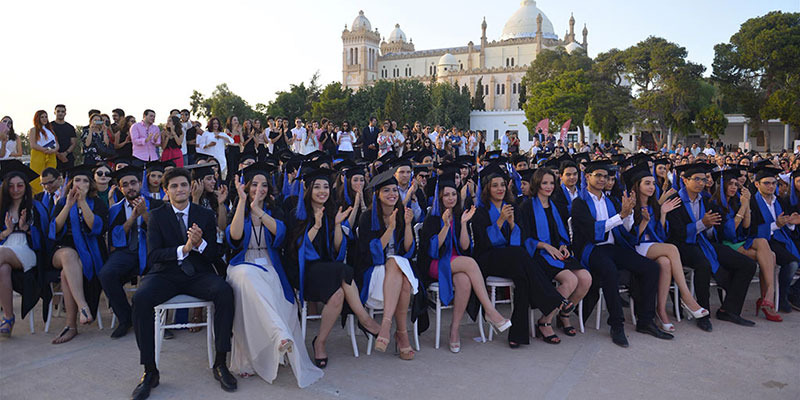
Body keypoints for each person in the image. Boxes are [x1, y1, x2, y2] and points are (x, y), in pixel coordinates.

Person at [130, 167, 237, 400]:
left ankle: (220, 363)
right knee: (140, 299)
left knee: (224, 292)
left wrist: (199, 245)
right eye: (174, 186)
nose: (180, 189)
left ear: (191, 188)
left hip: (197, 274)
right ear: (166, 191)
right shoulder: (157, 215)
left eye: (183, 185)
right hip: (165, 274)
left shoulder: (205, 215)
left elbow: (214, 255)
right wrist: (184, 249)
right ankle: (150, 371)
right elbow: (153, 256)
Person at [225, 162, 323, 387]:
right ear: (247, 186)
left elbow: (280, 235)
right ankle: (279, 335)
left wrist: (258, 209)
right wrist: (243, 203)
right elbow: (235, 237)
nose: (259, 189)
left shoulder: (274, 210)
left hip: (270, 265)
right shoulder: (238, 208)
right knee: (248, 279)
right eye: (255, 184)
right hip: (243, 264)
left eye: (264, 185)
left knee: (277, 298)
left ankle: (270, 347)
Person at [286, 167, 381, 367]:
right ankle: (364, 319)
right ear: (309, 189)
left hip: (326, 270)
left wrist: (337, 225)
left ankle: (319, 342)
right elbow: (297, 250)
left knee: (338, 294)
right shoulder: (297, 214)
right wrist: (316, 226)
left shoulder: (330, 212)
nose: (323, 191)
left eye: (326, 187)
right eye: (317, 187)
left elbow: (337, 248)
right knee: (344, 270)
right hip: (304, 272)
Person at [572, 160, 672, 347]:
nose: (602, 179)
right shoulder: (580, 203)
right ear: (587, 177)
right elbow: (592, 232)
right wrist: (621, 216)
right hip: (592, 249)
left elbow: (625, 229)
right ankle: (616, 325)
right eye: (598, 175)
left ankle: (645, 320)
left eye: (605, 176)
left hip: (613, 247)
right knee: (609, 271)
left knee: (651, 267)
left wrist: (630, 214)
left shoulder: (611, 201)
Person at [470, 163, 571, 348]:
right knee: (520, 255)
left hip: (511, 258)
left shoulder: (512, 207)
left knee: (523, 280)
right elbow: (483, 243)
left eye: (502, 184)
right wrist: (500, 221)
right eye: (495, 185)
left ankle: (517, 335)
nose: (500, 189)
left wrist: (511, 224)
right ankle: (554, 299)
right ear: (486, 188)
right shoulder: (480, 211)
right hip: (487, 259)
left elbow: (518, 239)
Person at [419, 170, 511, 352]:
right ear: (440, 197)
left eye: (453, 194)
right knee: (469, 263)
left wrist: (463, 224)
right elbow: (432, 250)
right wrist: (445, 227)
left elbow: (464, 246)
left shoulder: (460, 215)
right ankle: (490, 311)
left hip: (456, 262)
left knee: (464, 280)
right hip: (435, 264)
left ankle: (454, 329)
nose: (451, 198)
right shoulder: (433, 218)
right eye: (446, 195)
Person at [667, 162, 757, 332]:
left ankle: (729, 310)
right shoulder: (675, 201)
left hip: (704, 243)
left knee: (747, 264)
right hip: (682, 246)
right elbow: (675, 233)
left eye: (704, 179)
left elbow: (718, 230)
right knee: (703, 265)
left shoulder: (707, 200)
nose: (702, 183)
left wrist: (710, 227)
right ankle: (703, 314)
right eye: (697, 179)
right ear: (685, 180)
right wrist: (702, 223)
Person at [622, 162, 709, 332]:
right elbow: (629, 237)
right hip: (636, 247)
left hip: (652, 246)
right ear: (637, 186)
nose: (651, 187)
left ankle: (661, 311)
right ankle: (687, 298)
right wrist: (644, 221)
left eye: (653, 183)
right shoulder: (630, 205)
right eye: (646, 183)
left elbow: (660, 235)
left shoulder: (654, 205)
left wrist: (662, 214)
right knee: (671, 249)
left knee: (665, 262)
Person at [518, 168, 592, 341]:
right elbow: (523, 237)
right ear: (537, 184)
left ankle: (563, 315)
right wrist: (545, 246)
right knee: (571, 280)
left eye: (551, 183)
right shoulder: (526, 206)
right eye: (544, 183)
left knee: (586, 278)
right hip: (537, 255)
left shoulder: (556, 206)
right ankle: (545, 322)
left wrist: (563, 245)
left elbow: (561, 234)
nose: (548, 186)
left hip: (557, 253)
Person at [355, 170, 417, 359]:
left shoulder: (401, 215)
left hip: (396, 271)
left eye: (395, 190)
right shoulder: (367, 218)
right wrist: (390, 228)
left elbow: (408, 250)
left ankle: (388, 327)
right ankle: (400, 333)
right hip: (374, 271)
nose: (392, 194)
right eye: (386, 191)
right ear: (378, 195)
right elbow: (371, 254)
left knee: (397, 265)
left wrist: (406, 225)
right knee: (395, 265)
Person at [99, 166, 164, 339]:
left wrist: (144, 214)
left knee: (160, 275)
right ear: (121, 189)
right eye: (125, 185)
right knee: (106, 274)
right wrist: (132, 218)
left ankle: (157, 320)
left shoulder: (157, 204)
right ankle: (126, 318)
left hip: (151, 251)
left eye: (133, 183)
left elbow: (161, 233)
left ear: (141, 183)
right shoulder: (115, 209)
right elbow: (115, 237)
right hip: (126, 252)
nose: (130, 188)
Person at [48, 165, 109, 344]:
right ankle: (84, 307)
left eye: (84, 181)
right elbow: (54, 229)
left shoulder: (97, 203)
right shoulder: (61, 202)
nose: (80, 184)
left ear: (90, 185)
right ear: (71, 184)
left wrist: (82, 202)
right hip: (61, 248)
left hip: (90, 250)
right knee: (68, 256)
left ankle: (71, 326)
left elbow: (96, 227)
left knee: (66, 273)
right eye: (77, 180)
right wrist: (68, 205)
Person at [0, 161, 50, 337]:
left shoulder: (36, 207)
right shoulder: (1, 208)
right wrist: (6, 231)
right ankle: (8, 317)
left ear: (26, 186)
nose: (15, 190)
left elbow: (45, 236)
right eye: (11, 186)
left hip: (28, 250)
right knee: (3, 269)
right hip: (6, 247)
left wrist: (27, 229)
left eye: (20, 185)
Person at [747, 164, 799, 321]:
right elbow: (750, 229)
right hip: (761, 240)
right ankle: (782, 296)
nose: (771, 186)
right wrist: (777, 224)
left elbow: (785, 223)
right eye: (766, 183)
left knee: (793, 260)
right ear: (757, 184)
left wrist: (791, 222)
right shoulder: (752, 202)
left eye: (773, 183)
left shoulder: (779, 201)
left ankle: (788, 294)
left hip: (781, 238)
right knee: (792, 263)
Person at [28, 110, 59, 194]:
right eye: (42, 117)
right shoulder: (33, 130)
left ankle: (50, 194)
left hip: (51, 155)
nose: (45, 119)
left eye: (46, 117)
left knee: (51, 174)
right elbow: (33, 144)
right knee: (37, 176)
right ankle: (36, 195)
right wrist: (44, 150)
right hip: (38, 155)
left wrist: (54, 150)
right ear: (38, 118)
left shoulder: (50, 130)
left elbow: (57, 143)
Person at [50, 105, 77, 170]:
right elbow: (46, 141)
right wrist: (58, 154)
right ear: (54, 112)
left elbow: (73, 143)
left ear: (65, 113)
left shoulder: (70, 127)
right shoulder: (49, 126)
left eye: (62, 111)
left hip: (67, 157)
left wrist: (65, 153)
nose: (60, 113)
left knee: (68, 178)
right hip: (52, 157)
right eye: (58, 111)